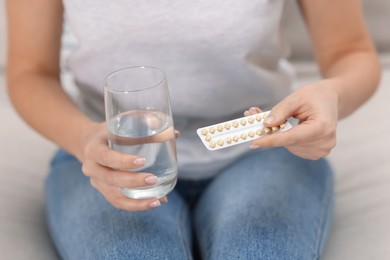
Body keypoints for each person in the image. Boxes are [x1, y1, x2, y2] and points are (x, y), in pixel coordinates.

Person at [6, 0, 380, 259]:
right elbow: (29, 71)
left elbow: (350, 51)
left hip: (261, 146)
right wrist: (82, 138)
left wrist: (332, 94)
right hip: (109, 157)